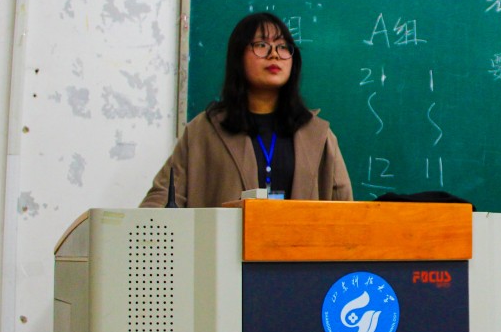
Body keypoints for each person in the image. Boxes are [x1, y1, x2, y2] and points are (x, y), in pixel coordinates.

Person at [140, 12, 353, 207]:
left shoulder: (317, 134)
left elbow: (348, 211)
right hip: (224, 239)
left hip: (299, 239)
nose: (274, 54)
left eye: (283, 46)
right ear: (238, 56)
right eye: (261, 44)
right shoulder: (203, 131)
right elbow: (162, 199)